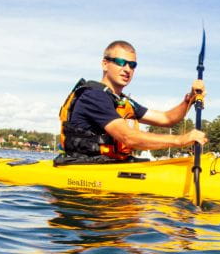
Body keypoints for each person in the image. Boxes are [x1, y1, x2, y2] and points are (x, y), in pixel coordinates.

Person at [58, 40, 207, 163]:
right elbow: (128, 137)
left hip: (111, 163)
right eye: (120, 62)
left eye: (132, 65)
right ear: (104, 64)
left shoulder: (123, 101)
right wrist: (180, 140)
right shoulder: (94, 96)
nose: (127, 69)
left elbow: (166, 119)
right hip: (85, 166)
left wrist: (190, 99)